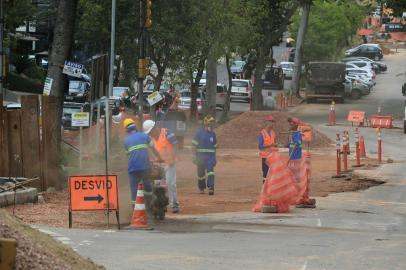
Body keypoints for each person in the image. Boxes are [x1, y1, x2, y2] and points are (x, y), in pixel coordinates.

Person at [123, 118, 162, 218]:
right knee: (148, 187)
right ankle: (148, 208)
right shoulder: (144, 136)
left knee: (134, 190)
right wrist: (160, 158)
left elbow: (129, 155)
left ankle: (134, 213)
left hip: (132, 169)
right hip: (144, 167)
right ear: (135, 127)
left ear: (126, 130)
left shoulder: (126, 141)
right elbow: (153, 149)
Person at [143, 120, 180, 213]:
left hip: (169, 164)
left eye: (151, 132)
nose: (151, 134)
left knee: (171, 184)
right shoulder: (150, 138)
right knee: (160, 185)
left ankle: (174, 204)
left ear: (155, 128)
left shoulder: (167, 133)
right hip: (158, 165)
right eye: (149, 133)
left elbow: (175, 144)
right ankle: (162, 204)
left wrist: (173, 158)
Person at [192, 115, 217, 195]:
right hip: (200, 157)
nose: (213, 125)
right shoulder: (199, 133)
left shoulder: (213, 134)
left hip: (210, 157)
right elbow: (194, 145)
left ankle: (211, 188)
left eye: (213, 123)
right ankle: (201, 188)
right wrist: (194, 156)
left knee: (210, 172)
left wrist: (214, 158)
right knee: (201, 174)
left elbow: (215, 146)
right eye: (211, 123)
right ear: (206, 123)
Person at [258, 115, 277, 183]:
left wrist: (275, 146)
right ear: (267, 122)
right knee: (266, 174)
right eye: (271, 121)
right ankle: (265, 190)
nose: (272, 123)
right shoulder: (262, 133)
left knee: (272, 174)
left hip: (272, 156)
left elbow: (274, 143)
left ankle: (270, 190)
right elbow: (260, 146)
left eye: (273, 122)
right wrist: (270, 145)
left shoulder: (273, 133)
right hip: (265, 157)